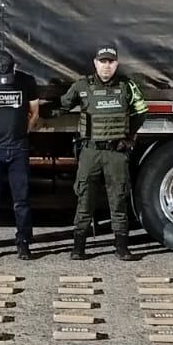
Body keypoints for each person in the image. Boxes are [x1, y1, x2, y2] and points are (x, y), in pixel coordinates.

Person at [60, 43, 148, 261]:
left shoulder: (127, 86)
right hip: (90, 151)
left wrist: (128, 137)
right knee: (84, 199)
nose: (106, 67)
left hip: (115, 153)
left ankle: (122, 248)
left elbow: (141, 111)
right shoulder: (82, 86)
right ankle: (78, 248)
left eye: (110, 62)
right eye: (102, 62)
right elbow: (62, 106)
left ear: (116, 63)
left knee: (118, 199)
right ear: (95, 63)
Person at [0, 50, 41, 260]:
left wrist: (23, 131)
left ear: (15, 68)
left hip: (18, 149)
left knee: (21, 199)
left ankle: (23, 242)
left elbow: (35, 112)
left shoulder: (27, 81)